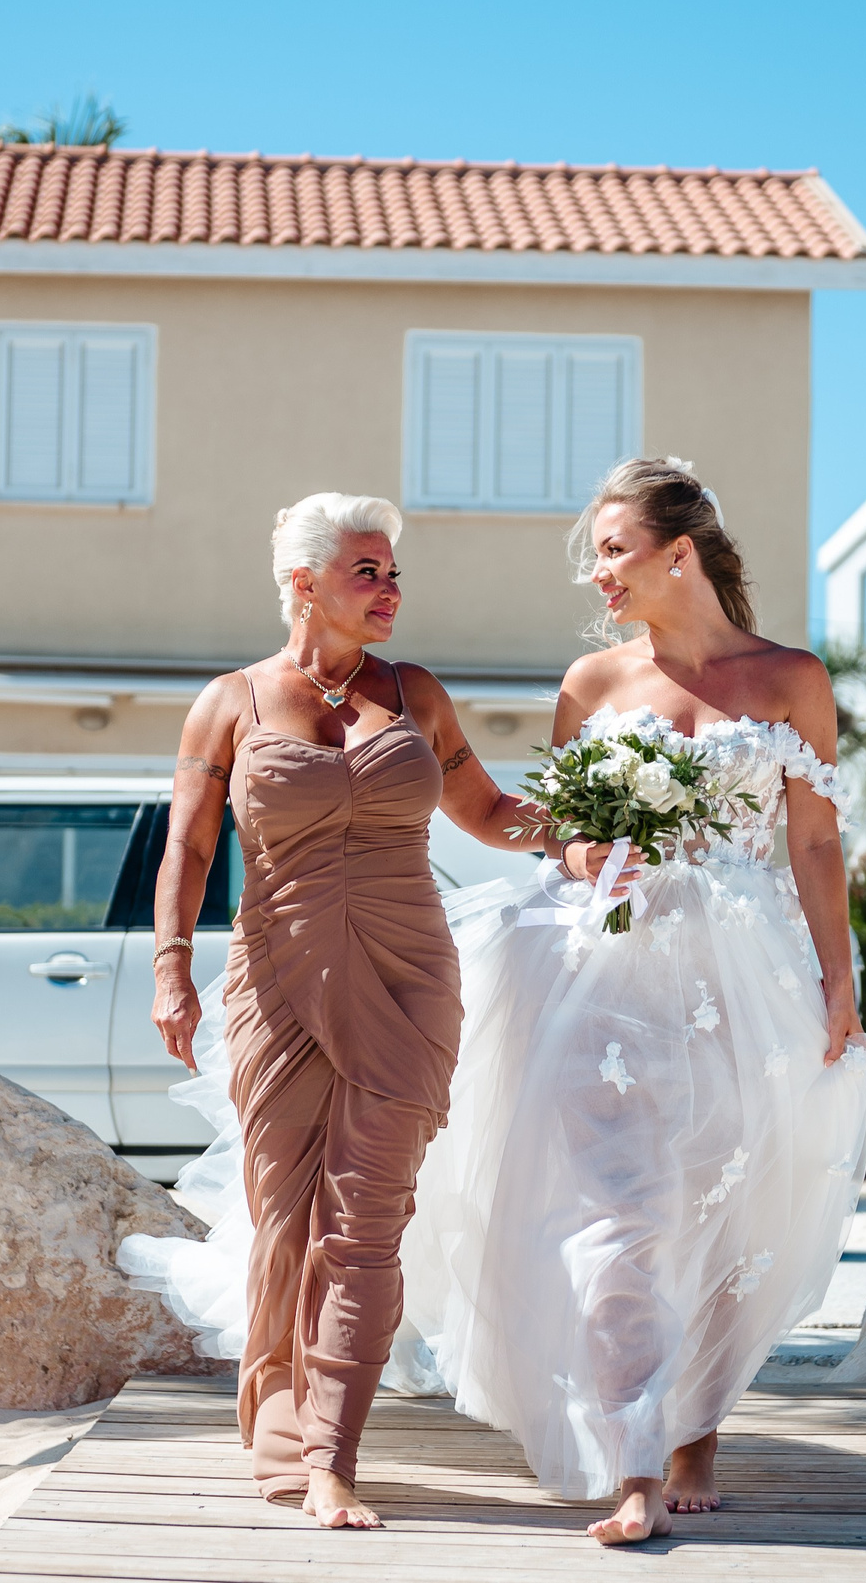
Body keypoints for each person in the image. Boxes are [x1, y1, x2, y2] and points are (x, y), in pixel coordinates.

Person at [397, 456, 866, 1545]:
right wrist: (583, 849)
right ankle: (632, 1462)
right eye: (593, 553)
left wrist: (837, 981)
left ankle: (697, 1424)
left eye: (611, 549)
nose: (596, 571)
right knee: (618, 1215)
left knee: (727, 1199)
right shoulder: (592, 683)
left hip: (745, 974)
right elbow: (561, 835)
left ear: (678, 552)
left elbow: (812, 836)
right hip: (602, 968)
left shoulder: (791, 676)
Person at [118, 492, 546, 1531]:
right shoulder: (231, 703)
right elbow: (188, 847)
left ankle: (330, 1457)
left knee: (364, 1223)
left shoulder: (417, 694)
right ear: (304, 581)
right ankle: (276, 1414)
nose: (390, 589)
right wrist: (171, 966)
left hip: (408, 977)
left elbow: (488, 811)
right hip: (276, 981)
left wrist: (603, 826)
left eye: (395, 571)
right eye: (369, 570)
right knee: (284, 1218)